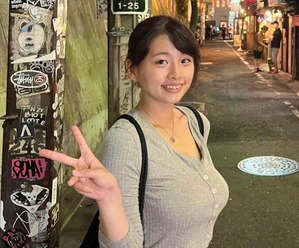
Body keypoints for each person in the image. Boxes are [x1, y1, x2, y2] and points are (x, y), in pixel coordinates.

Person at [40, 15, 229, 248]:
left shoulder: (196, 121)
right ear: (132, 69)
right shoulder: (126, 141)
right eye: (161, 62)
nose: (176, 74)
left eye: (185, 60)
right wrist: (108, 199)